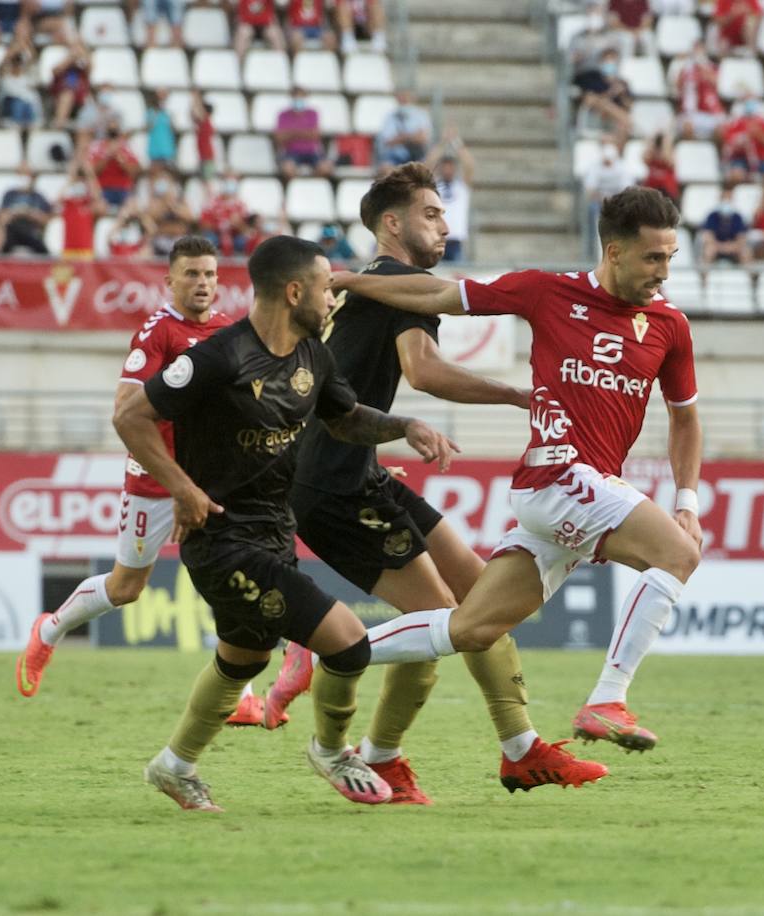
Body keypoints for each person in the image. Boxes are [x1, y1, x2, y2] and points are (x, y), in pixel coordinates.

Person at [265, 164, 608, 800]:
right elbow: (422, 371)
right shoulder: (401, 283)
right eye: (432, 214)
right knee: (442, 623)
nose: (446, 225)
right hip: (334, 486)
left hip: (355, 471)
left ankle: (475, 750)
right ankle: (343, 727)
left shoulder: (361, 287)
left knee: (481, 598)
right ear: (392, 224)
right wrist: (515, 393)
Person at [330, 187, 703, 753]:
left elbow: (686, 422)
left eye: (670, 258)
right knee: (677, 554)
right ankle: (607, 699)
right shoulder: (547, 292)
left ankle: (329, 647)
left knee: (472, 627)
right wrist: (353, 281)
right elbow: (435, 294)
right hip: (560, 475)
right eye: (653, 258)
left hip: (570, 498)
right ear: (615, 251)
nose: (663, 272)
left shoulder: (670, 326)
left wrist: (687, 501)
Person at [114, 235, 458, 811]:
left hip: (276, 531)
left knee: (242, 657)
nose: (332, 299)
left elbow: (345, 420)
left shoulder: (313, 355)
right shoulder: (219, 356)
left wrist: (405, 426)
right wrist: (182, 488)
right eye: (326, 288)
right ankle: (332, 749)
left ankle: (174, 765)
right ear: (294, 290)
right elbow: (130, 415)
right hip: (222, 540)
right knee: (348, 643)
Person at [16, 238, 257, 722]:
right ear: (169, 282)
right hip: (156, 480)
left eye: (210, 274)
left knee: (240, 573)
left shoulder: (231, 332)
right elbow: (125, 412)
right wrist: (174, 482)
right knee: (127, 588)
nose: (203, 283)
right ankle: (49, 630)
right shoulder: (157, 334)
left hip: (212, 479)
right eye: (191, 274)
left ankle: (243, 694)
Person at [426, 125, 474, 263]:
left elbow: (469, 165)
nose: (448, 170)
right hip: (436, 239)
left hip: (456, 241)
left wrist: (456, 142)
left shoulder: (461, 186)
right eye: (444, 166)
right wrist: (442, 142)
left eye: (450, 166)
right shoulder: (435, 186)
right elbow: (428, 164)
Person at [0, 161, 52, 254]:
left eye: (26, 174)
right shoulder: (9, 195)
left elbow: (45, 219)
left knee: (31, 233)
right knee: (8, 227)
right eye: (20, 174)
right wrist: (16, 213)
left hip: (31, 229)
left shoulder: (38, 197)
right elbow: (1, 217)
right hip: (12, 230)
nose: (23, 178)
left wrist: (28, 213)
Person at [277, 87, 333, 179]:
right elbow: (279, 138)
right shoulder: (283, 114)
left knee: (325, 168)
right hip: (291, 152)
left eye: (301, 97)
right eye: (296, 97)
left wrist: (292, 133)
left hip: (312, 152)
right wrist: (305, 133)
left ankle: (313, 186)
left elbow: (316, 135)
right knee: (287, 169)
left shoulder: (313, 113)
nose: (298, 100)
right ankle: (295, 189)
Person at [376, 90, 432, 168]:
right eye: (401, 96)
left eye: (406, 96)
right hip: (395, 158)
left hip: (417, 157)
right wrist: (412, 137)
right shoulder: (390, 116)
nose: (404, 99)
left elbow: (423, 138)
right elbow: (388, 141)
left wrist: (402, 137)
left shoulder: (421, 115)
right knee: (386, 167)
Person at [700, 187, 751, 264]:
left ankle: (749, 275)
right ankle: (705, 275)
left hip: (733, 248)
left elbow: (742, 238)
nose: (726, 201)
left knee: (745, 251)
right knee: (709, 250)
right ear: (720, 199)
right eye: (724, 198)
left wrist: (731, 247)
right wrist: (721, 247)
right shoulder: (712, 216)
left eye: (729, 199)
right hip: (717, 247)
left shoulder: (737, 217)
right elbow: (708, 237)